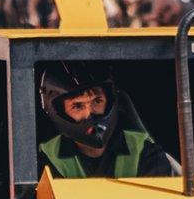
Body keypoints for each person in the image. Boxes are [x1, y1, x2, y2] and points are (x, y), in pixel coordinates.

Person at [37, 62, 171, 179]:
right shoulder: (46, 159)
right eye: (77, 106)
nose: (90, 114)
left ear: (110, 101)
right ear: (58, 112)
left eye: (97, 101)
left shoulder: (145, 152)